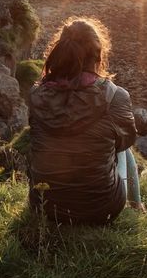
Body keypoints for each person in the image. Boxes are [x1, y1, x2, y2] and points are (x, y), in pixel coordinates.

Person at [28, 16, 139, 225]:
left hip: (43, 206)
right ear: (97, 54)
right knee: (124, 149)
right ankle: (137, 206)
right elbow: (125, 142)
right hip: (100, 210)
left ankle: (135, 205)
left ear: (60, 51)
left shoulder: (37, 94)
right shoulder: (116, 96)